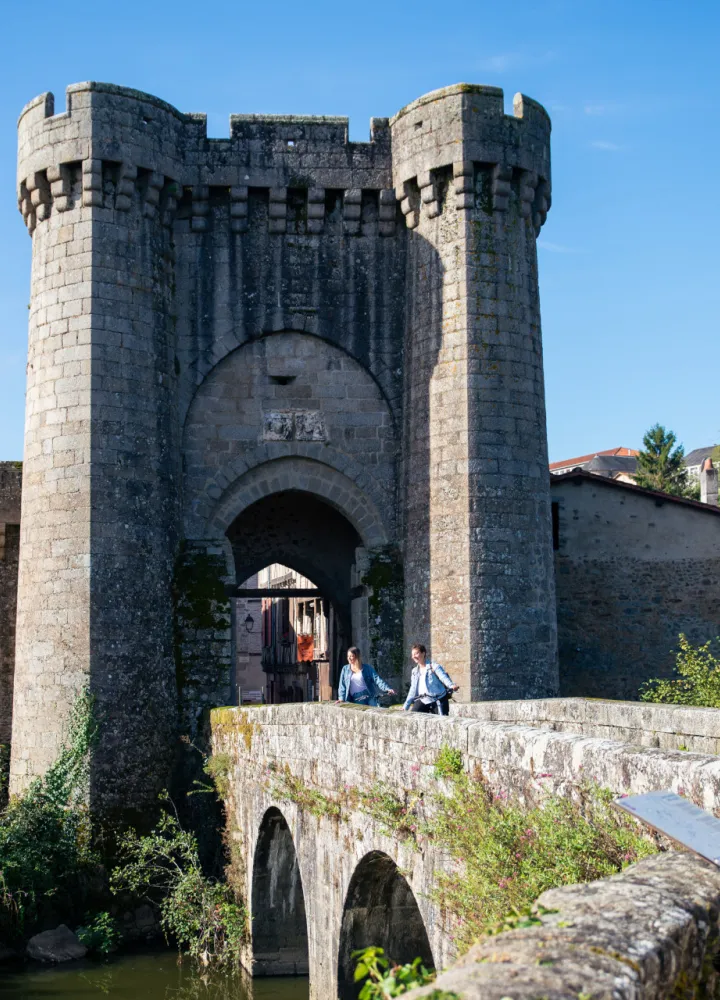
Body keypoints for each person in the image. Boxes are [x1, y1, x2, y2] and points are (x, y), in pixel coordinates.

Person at [403, 644, 458, 715]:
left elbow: (443, 677)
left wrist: (451, 686)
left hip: (439, 699)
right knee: (414, 717)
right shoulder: (414, 671)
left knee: (441, 722)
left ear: (423, 653)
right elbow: (413, 689)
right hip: (423, 700)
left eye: (416, 653)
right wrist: (406, 705)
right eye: (412, 655)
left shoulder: (434, 666)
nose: (414, 656)